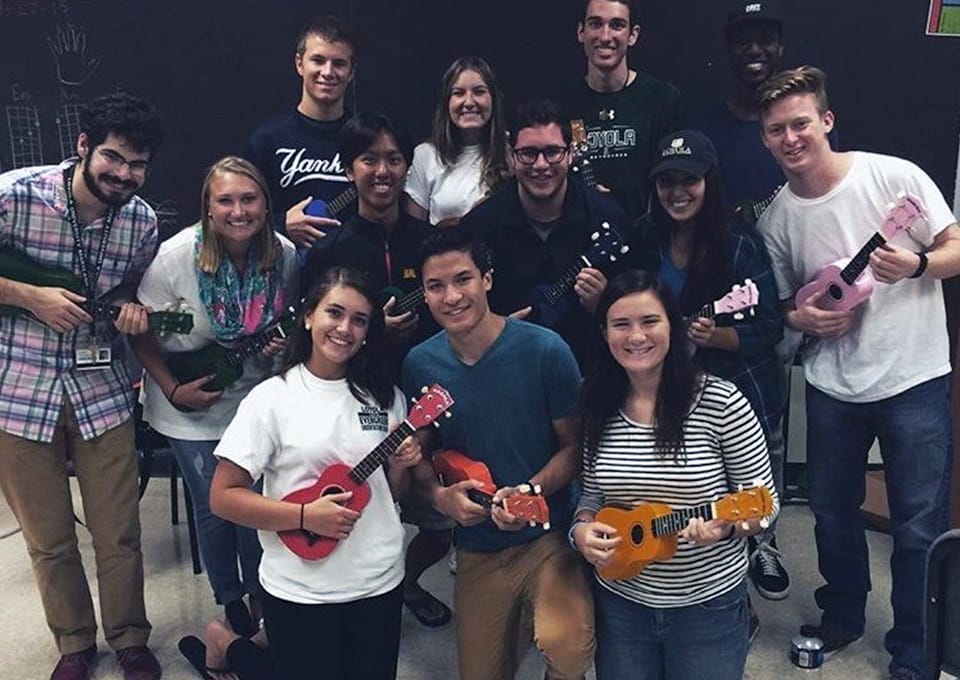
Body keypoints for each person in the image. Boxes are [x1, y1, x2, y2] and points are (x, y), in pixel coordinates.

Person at [757, 66, 960, 680]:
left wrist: (920, 262)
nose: (791, 138)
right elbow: (786, 305)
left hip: (914, 379)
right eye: (776, 130)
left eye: (800, 123)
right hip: (832, 387)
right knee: (831, 513)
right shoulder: (777, 219)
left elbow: (956, 247)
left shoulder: (892, 177)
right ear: (765, 140)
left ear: (827, 121)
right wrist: (807, 319)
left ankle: (914, 649)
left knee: (919, 525)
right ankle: (842, 613)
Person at [0, 92, 163, 680]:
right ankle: (73, 642)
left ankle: (129, 638)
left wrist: (129, 310)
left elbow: (123, 291)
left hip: (103, 396)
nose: (124, 175)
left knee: (119, 532)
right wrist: (28, 296)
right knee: (48, 538)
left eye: (138, 165)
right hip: (18, 393)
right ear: (83, 147)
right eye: (114, 158)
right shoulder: (16, 194)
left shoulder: (142, 221)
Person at [209, 267, 422, 679]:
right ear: (308, 316)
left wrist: (400, 467)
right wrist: (305, 517)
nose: (345, 329)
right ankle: (229, 644)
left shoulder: (385, 397)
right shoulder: (271, 399)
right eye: (334, 313)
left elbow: (392, 495)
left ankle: (229, 645)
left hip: (377, 582)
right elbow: (222, 496)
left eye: (359, 320)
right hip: (300, 589)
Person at [402, 228, 595, 680]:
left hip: (547, 537)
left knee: (567, 645)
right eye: (435, 286)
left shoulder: (546, 350)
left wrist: (530, 489)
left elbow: (574, 448)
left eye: (463, 279)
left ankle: (543, 617)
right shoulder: (419, 364)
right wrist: (440, 498)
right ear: (424, 295)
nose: (451, 297)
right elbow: (423, 456)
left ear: (487, 280)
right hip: (477, 548)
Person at [571, 270, 779, 680]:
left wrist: (726, 528)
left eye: (650, 322)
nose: (636, 337)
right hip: (621, 599)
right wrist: (581, 531)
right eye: (621, 324)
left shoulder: (721, 402)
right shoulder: (597, 403)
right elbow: (593, 495)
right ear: (604, 332)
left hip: (707, 603)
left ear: (673, 325)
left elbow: (764, 506)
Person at [130, 157, 299, 636]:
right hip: (190, 405)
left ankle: (263, 591)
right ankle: (230, 598)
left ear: (266, 205)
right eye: (225, 200)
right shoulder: (176, 256)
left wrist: (283, 344)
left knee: (255, 504)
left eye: (249, 199)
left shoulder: (283, 256)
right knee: (215, 503)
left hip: (256, 398)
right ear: (207, 207)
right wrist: (172, 387)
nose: (238, 211)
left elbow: (290, 324)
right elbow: (140, 330)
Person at [300, 111, 450, 627]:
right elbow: (312, 332)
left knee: (438, 519)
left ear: (408, 166)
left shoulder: (430, 241)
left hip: (428, 399)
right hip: (355, 402)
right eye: (369, 159)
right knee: (352, 510)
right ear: (349, 169)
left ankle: (405, 583)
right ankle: (354, 601)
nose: (382, 170)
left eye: (393, 158)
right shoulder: (328, 250)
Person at [635, 129, 789, 606]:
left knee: (742, 487)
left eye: (690, 181)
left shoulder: (738, 243)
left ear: (709, 183)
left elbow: (769, 327)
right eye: (667, 182)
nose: (678, 192)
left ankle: (760, 546)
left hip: (734, 388)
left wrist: (717, 336)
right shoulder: (643, 238)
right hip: (666, 388)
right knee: (688, 496)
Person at [459, 98, 627, 365]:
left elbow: (637, 309)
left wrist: (605, 303)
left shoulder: (607, 217)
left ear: (570, 153)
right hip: (504, 365)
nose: (540, 165)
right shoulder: (479, 227)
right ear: (512, 158)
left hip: (590, 367)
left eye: (552, 151)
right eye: (528, 153)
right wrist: (488, 329)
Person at [562, 0, 684, 219]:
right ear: (581, 31)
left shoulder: (662, 99)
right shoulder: (562, 105)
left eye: (617, 25)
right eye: (596, 24)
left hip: (649, 240)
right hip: (582, 238)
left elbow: (675, 178)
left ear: (633, 35)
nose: (605, 36)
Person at [243, 15, 357, 248]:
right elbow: (238, 213)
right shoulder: (268, 141)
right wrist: (281, 225)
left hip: (353, 272)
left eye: (339, 63)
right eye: (318, 60)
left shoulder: (365, 138)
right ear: (299, 64)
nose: (328, 72)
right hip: (284, 272)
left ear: (351, 71)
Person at [694, 0, 787, 218]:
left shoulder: (806, 130)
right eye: (743, 41)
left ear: (780, 47)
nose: (754, 50)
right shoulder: (703, 133)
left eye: (765, 39)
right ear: (728, 49)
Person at [405, 56, 510, 226]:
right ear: (447, 102)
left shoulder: (512, 152)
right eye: (458, 93)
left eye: (479, 92)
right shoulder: (424, 156)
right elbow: (412, 233)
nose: (469, 102)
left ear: (493, 99)